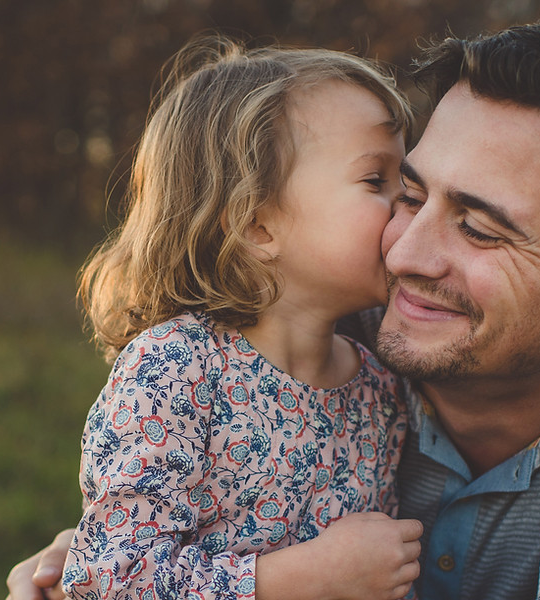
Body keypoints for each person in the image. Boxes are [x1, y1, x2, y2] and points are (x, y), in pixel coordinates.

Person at [10, 17, 540, 600]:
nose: (406, 253)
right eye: (409, 192)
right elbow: (128, 558)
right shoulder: (319, 320)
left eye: (483, 229)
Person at [59, 38, 424, 600]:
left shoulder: (379, 386)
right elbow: (109, 579)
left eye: (407, 179)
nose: (410, 202)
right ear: (257, 226)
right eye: (377, 180)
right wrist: (310, 577)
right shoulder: (177, 370)